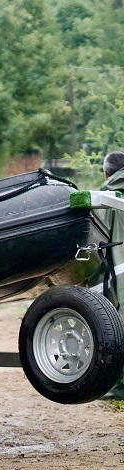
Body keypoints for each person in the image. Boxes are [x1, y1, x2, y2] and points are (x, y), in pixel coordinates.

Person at [101, 150, 124, 400]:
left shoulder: (105, 196)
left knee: (118, 324)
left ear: (107, 173)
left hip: (119, 270)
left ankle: (119, 387)